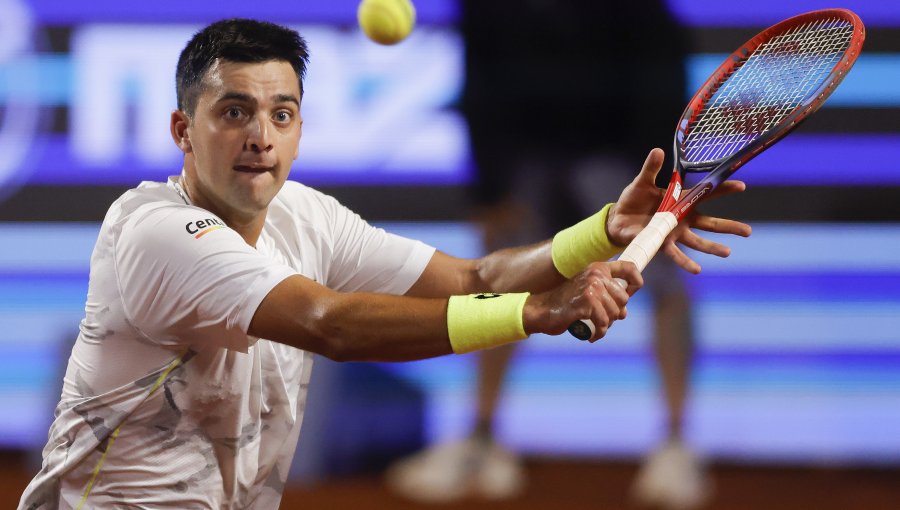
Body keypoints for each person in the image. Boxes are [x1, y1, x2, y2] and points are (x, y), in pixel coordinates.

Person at [18, 18, 749, 509]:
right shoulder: (155, 230)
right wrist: (535, 314)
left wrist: (600, 231)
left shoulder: (308, 216)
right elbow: (329, 323)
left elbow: (473, 277)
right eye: (233, 111)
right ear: (183, 128)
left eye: (281, 114)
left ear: (300, 128)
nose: (260, 136)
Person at [385, 1, 709, 508]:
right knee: (493, 291)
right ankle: (481, 439)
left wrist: (665, 179)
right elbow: (483, 72)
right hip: (524, 158)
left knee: (666, 287)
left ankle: (675, 445)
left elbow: (658, 60)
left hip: (624, 157)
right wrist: (488, 187)